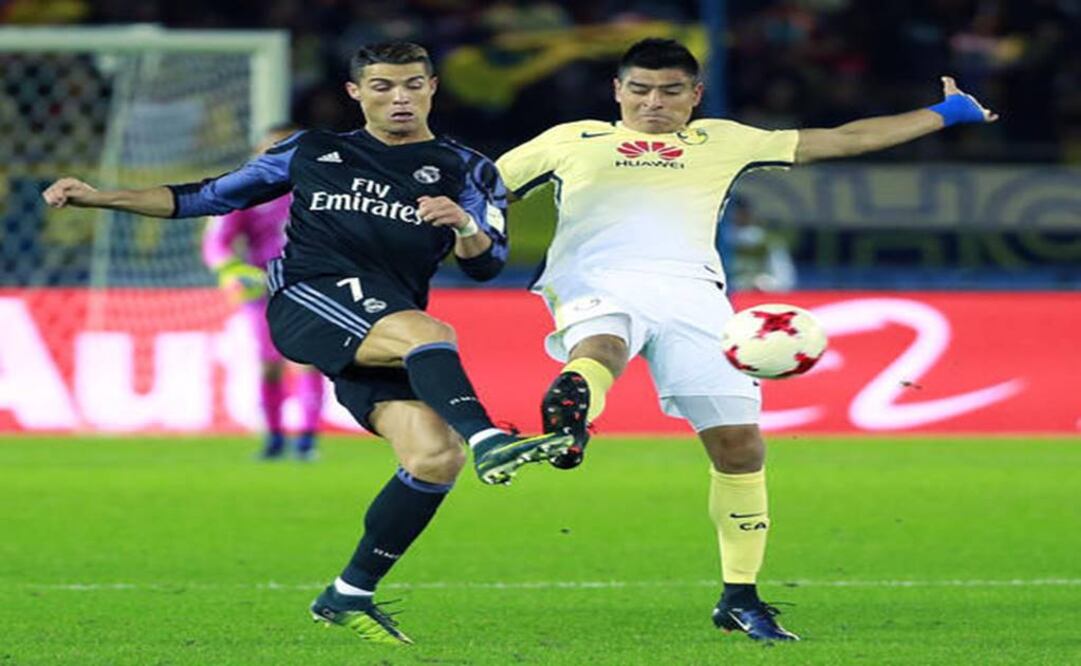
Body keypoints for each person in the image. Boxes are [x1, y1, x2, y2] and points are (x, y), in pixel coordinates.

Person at [42, 41, 577, 646]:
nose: (398, 97)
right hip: (309, 297)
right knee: (432, 335)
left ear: (431, 87)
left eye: (410, 84)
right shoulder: (315, 149)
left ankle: (348, 594)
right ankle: (490, 440)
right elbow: (208, 195)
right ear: (356, 93)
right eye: (381, 86)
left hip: (381, 323)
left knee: (432, 456)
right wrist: (99, 195)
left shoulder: (470, 170)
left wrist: (465, 226)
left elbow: (488, 263)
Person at [496, 37, 997, 642]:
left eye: (671, 91)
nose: (655, 102)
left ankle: (740, 597)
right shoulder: (567, 140)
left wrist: (947, 113)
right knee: (601, 345)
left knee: (740, 449)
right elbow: (481, 185)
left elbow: (844, 139)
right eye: (641, 89)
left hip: (696, 296)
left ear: (695, 95)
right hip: (594, 279)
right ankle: (571, 419)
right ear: (617, 91)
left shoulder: (726, 141)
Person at [202, 124, 325, 460]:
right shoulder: (247, 193)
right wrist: (230, 269)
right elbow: (217, 242)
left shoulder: (324, 189)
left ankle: (307, 440)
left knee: (306, 361)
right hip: (262, 289)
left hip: (310, 288)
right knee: (268, 365)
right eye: (272, 148)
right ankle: (273, 438)